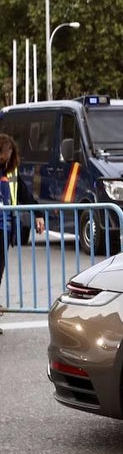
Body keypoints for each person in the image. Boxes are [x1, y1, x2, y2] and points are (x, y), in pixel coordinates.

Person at [0, 134, 45, 325]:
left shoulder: (11, 173)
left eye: (10, 152)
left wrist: (38, 214)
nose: (7, 156)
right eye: (4, 152)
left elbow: (25, 195)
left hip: (4, 228)